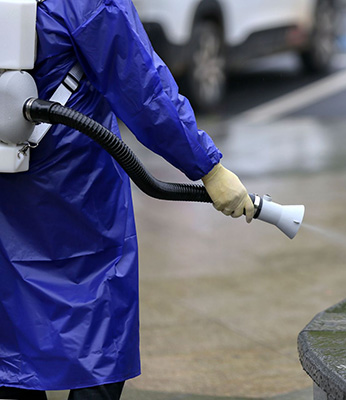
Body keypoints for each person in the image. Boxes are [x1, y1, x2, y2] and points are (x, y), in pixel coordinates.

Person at [0, 0, 254, 399]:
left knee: (12, 348)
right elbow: (143, 88)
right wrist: (210, 169)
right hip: (77, 202)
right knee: (97, 335)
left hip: (11, 202)